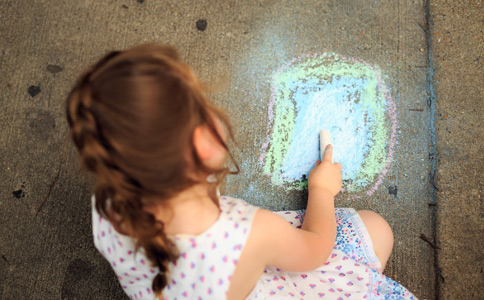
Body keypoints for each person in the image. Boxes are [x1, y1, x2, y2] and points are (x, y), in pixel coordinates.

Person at [65, 44, 417, 300]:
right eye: (203, 104)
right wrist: (322, 191)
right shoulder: (246, 232)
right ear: (204, 144)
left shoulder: (108, 203)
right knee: (377, 230)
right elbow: (315, 251)